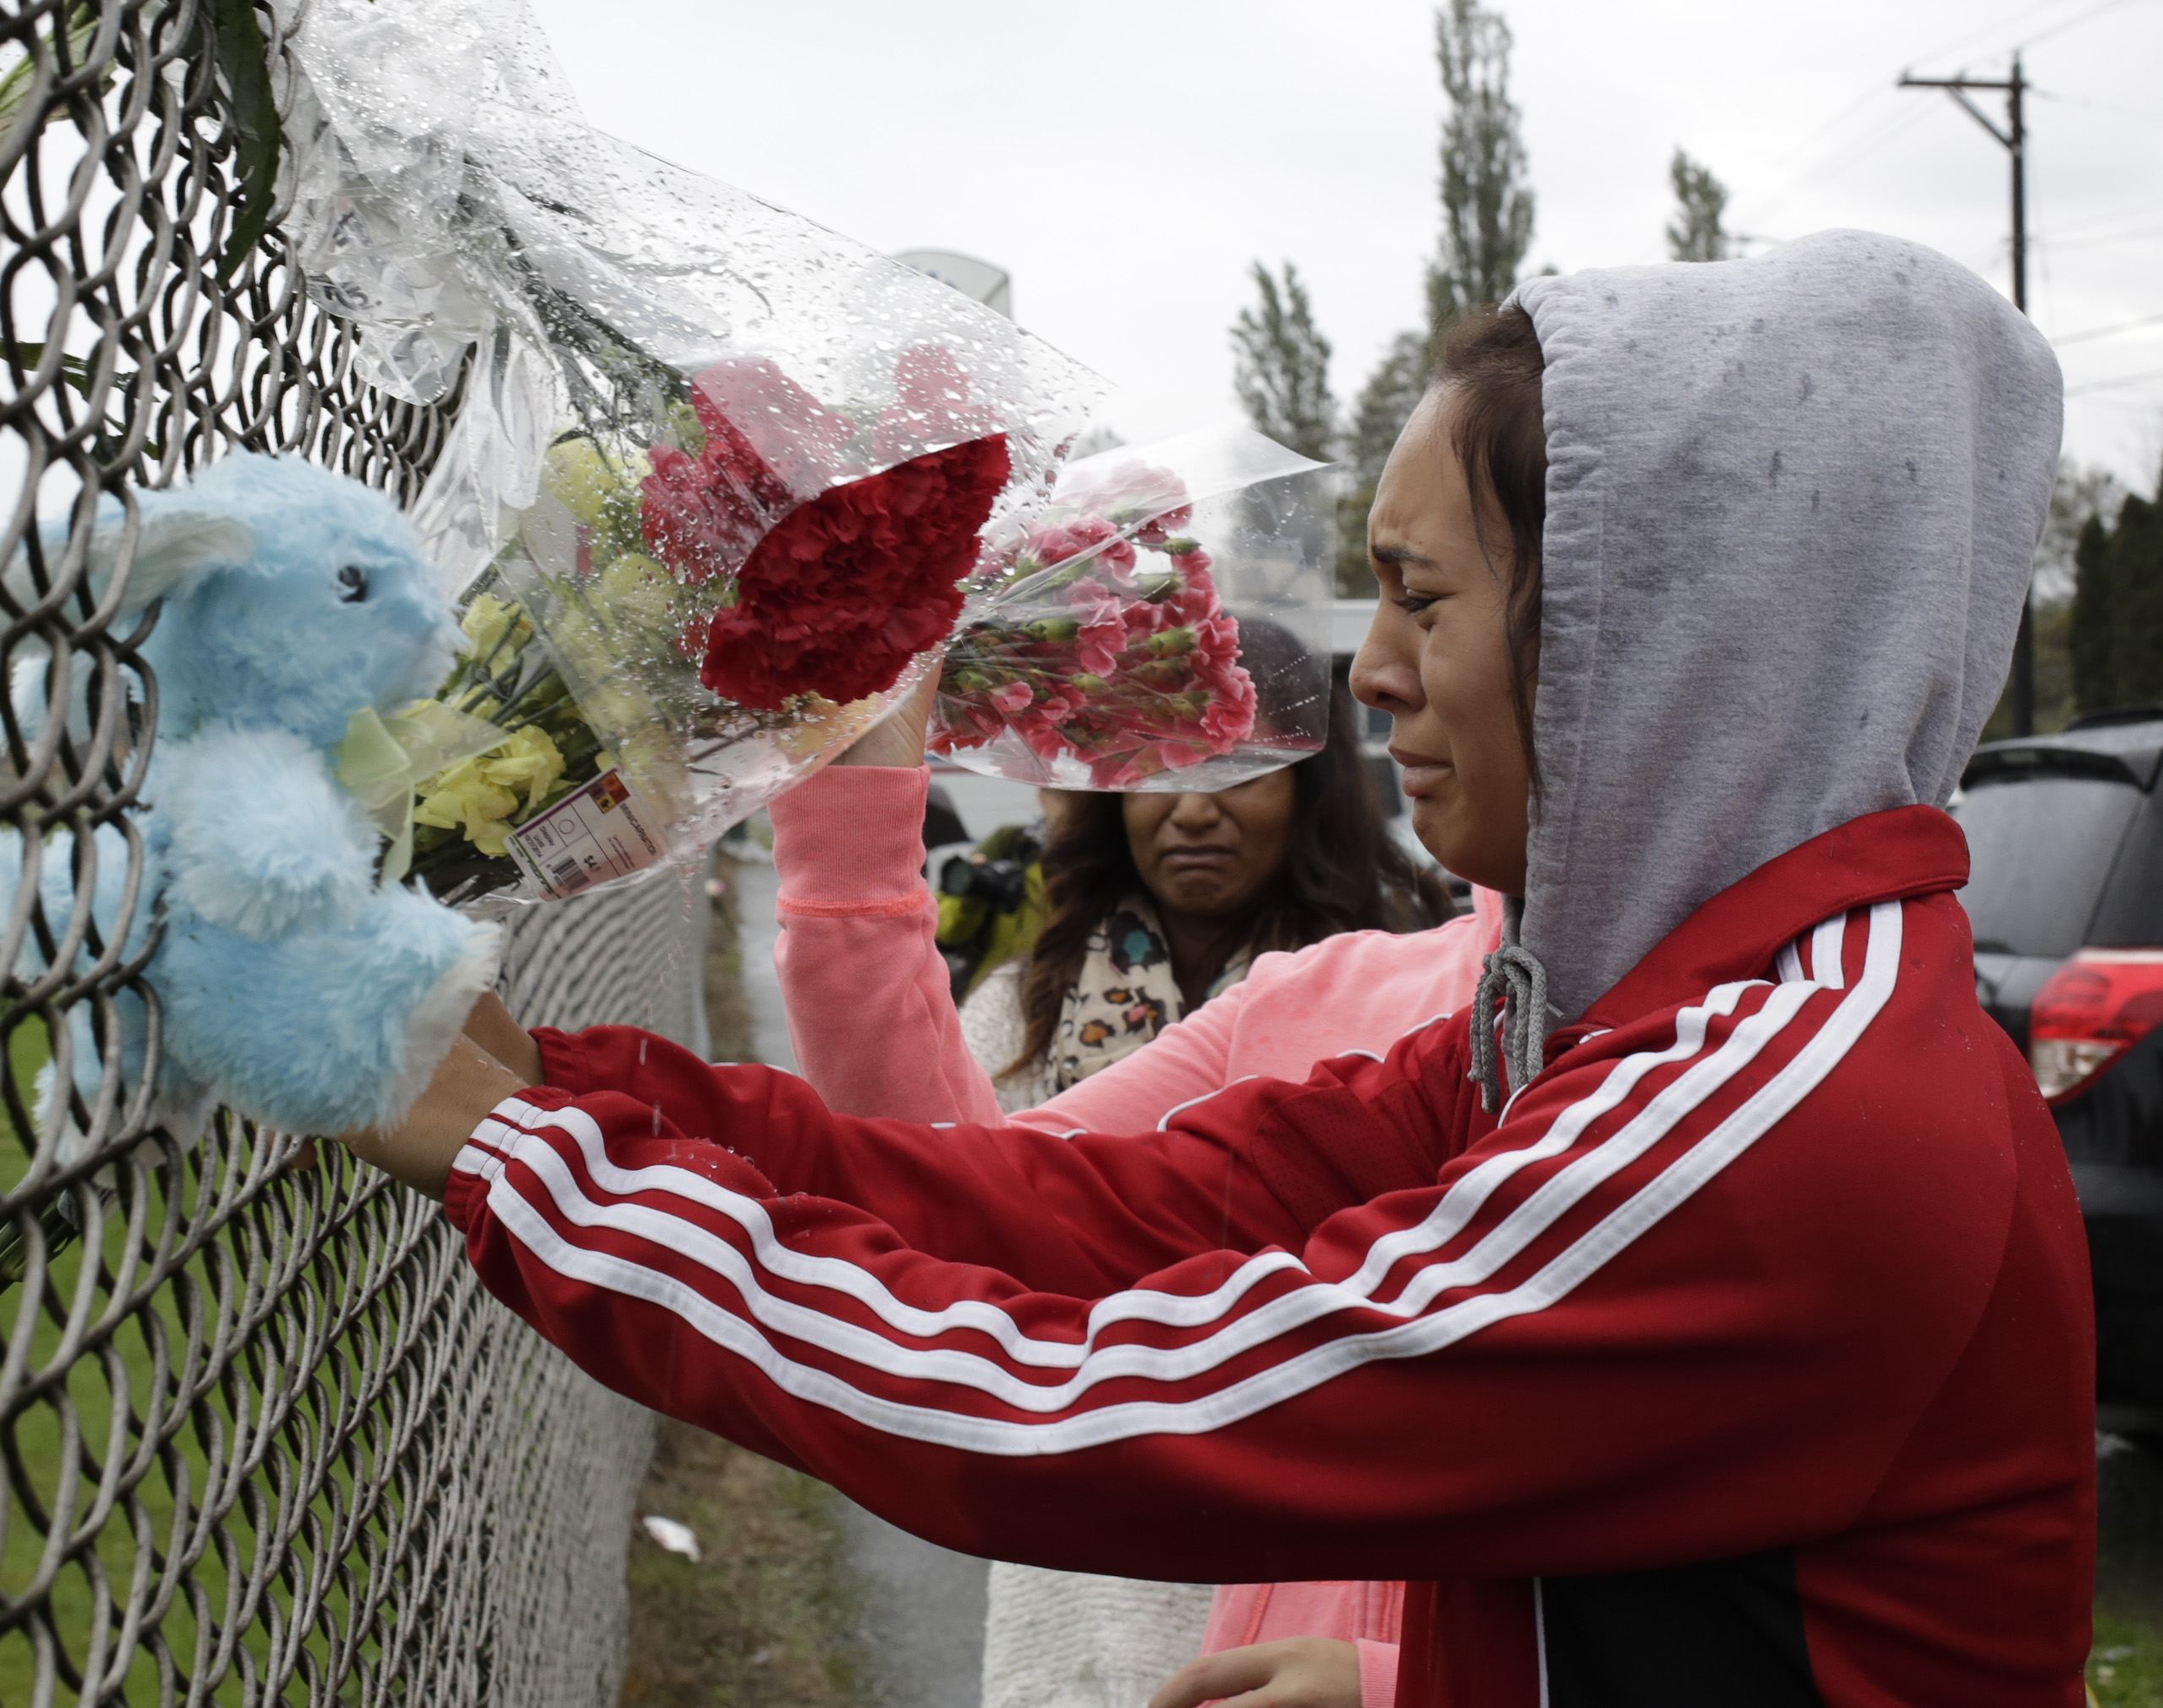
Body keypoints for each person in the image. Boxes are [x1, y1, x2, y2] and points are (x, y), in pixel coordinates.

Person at [353, 231, 2091, 1707]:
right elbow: (1112, 1210)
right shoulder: (1643, 1024)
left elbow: (1091, 1408)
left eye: (1418, 598)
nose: (1375, 679)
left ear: (1645, 635)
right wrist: (590, 1097)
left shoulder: (1782, 1107)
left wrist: (545, 1177)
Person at [776, 650, 1476, 1708]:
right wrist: (851, 837)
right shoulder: (1280, 998)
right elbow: (955, 1189)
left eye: (1238, 769)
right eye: (1164, 768)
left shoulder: (1556, 1022)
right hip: (1087, 1592)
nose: (1194, 809)